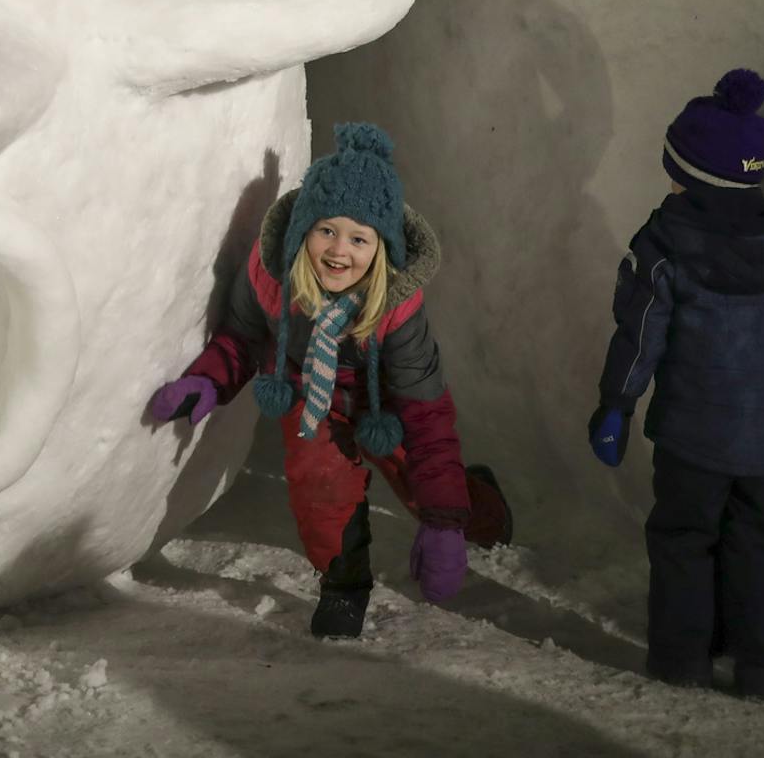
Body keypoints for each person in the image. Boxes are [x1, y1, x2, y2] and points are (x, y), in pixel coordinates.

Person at [147, 122, 512, 638]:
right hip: (310, 388)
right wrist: (208, 381)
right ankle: (343, 585)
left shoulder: (397, 307)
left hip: (385, 401)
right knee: (318, 477)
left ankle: (482, 508)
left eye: (359, 239)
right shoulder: (272, 276)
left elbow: (426, 413)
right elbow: (242, 337)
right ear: (303, 230)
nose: (339, 251)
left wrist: (444, 524)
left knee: (424, 481)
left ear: (380, 249)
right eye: (326, 231)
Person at [587, 68, 764, 701]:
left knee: (684, 540)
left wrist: (616, 405)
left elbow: (640, 332)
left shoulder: (664, 243)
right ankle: (760, 668)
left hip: (692, 438)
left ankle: (684, 661)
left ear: (688, 174)